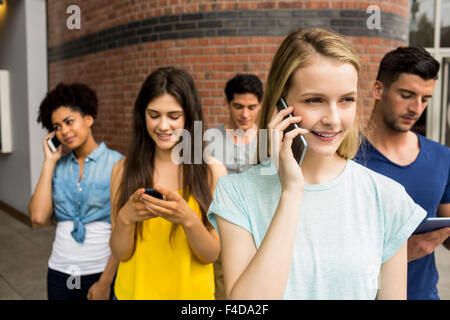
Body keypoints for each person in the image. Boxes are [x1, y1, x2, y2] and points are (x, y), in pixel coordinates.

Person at [207, 28, 427, 300]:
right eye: (314, 100)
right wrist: (291, 192)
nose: (333, 119)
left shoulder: (387, 197)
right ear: (280, 105)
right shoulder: (235, 193)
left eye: (346, 100)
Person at [109, 67, 226, 300]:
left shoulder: (212, 171)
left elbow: (211, 254)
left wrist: (188, 219)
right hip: (134, 293)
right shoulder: (122, 170)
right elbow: (121, 253)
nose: (163, 126)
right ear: (142, 116)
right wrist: (126, 218)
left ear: (189, 116)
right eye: (154, 115)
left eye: (173, 116)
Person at [354, 47, 450, 300]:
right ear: (378, 90)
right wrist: (400, 253)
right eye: (406, 95)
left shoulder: (443, 157)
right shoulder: (344, 158)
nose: (416, 108)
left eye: (425, 98)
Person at [28, 83, 123, 300]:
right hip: (60, 272)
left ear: (88, 118)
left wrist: (105, 282)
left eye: (69, 122)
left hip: (100, 271)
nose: (64, 131)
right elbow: (38, 216)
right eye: (57, 127)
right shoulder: (57, 167)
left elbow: (124, 230)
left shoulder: (117, 163)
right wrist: (49, 162)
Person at [208, 74, 263, 175]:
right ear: (227, 103)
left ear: (260, 105)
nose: (245, 115)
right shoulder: (208, 139)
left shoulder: (268, 140)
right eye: (238, 107)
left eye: (251, 107)